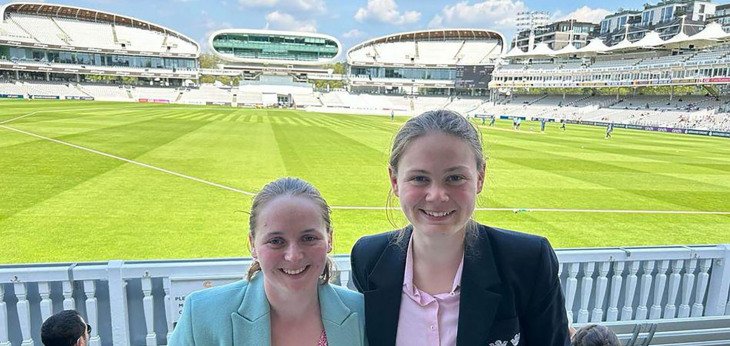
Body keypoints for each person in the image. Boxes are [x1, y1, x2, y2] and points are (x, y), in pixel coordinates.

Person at [351, 110, 570, 346]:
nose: (437, 196)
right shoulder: (368, 257)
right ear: (395, 181)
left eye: (455, 178)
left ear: (480, 178)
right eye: (419, 178)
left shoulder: (528, 261)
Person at [170, 178, 366, 346]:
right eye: (276, 241)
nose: (293, 256)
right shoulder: (202, 314)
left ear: (329, 239)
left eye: (308, 238)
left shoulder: (363, 313)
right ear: (252, 244)